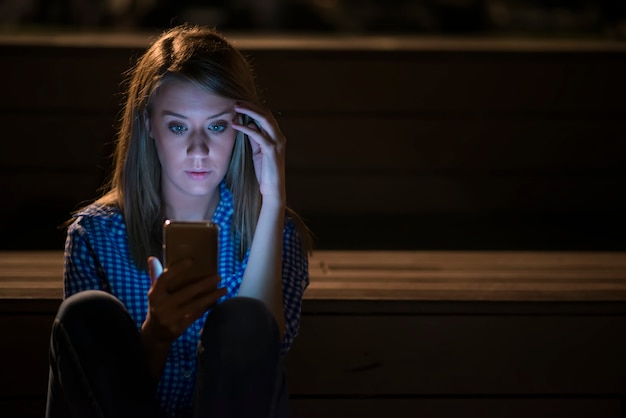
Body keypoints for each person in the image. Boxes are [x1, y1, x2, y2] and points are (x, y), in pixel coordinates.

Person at [45, 24, 311, 418]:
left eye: (217, 126)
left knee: (244, 320)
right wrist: (157, 335)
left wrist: (272, 201)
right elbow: (97, 391)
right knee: (86, 312)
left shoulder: (274, 231)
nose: (199, 149)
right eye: (178, 126)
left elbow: (261, 357)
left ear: (245, 130)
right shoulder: (95, 235)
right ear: (149, 125)